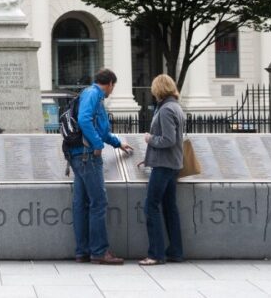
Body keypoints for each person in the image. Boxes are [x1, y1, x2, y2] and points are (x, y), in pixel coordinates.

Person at [69, 68, 134, 265]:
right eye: (113, 87)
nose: (112, 91)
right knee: (98, 203)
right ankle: (99, 251)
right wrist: (97, 145)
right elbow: (84, 120)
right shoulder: (94, 94)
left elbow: (101, 129)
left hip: (78, 155)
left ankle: (83, 251)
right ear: (110, 84)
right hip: (88, 156)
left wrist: (117, 143)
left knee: (81, 204)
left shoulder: (90, 95)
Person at [139, 74, 185, 266]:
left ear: (158, 89)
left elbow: (168, 140)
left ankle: (156, 253)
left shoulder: (166, 110)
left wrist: (150, 139)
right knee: (169, 208)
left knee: (151, 206)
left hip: (164, 165)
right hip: (172, 164)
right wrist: (148, 157)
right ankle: (175, 251)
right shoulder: (175, 106)